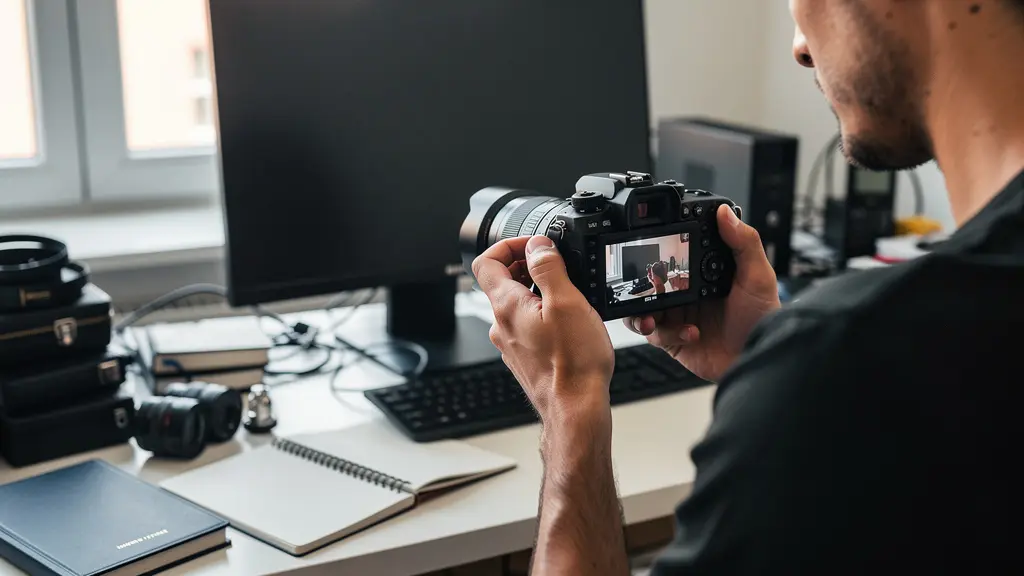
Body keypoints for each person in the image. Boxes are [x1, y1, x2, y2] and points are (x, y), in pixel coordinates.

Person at [471, 0, 1024, 573]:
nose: (800, 47)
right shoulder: (899, 350)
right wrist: (763, 368)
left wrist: (570, 405)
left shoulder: (848, 355)